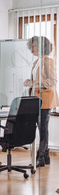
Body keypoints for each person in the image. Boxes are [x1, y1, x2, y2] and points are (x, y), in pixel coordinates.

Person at [24, 36, 59, 167]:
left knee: (43, 127)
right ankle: (46, 155)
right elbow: (35, 79)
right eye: (31, 46)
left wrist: (36, 83)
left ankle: (41, 156)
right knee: (40, 127)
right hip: (36, 99)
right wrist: (29, 82)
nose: (32, 49)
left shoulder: (48, 61)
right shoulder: (36, 62)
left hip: (46, 99)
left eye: (34, 46)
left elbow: (53, 81)